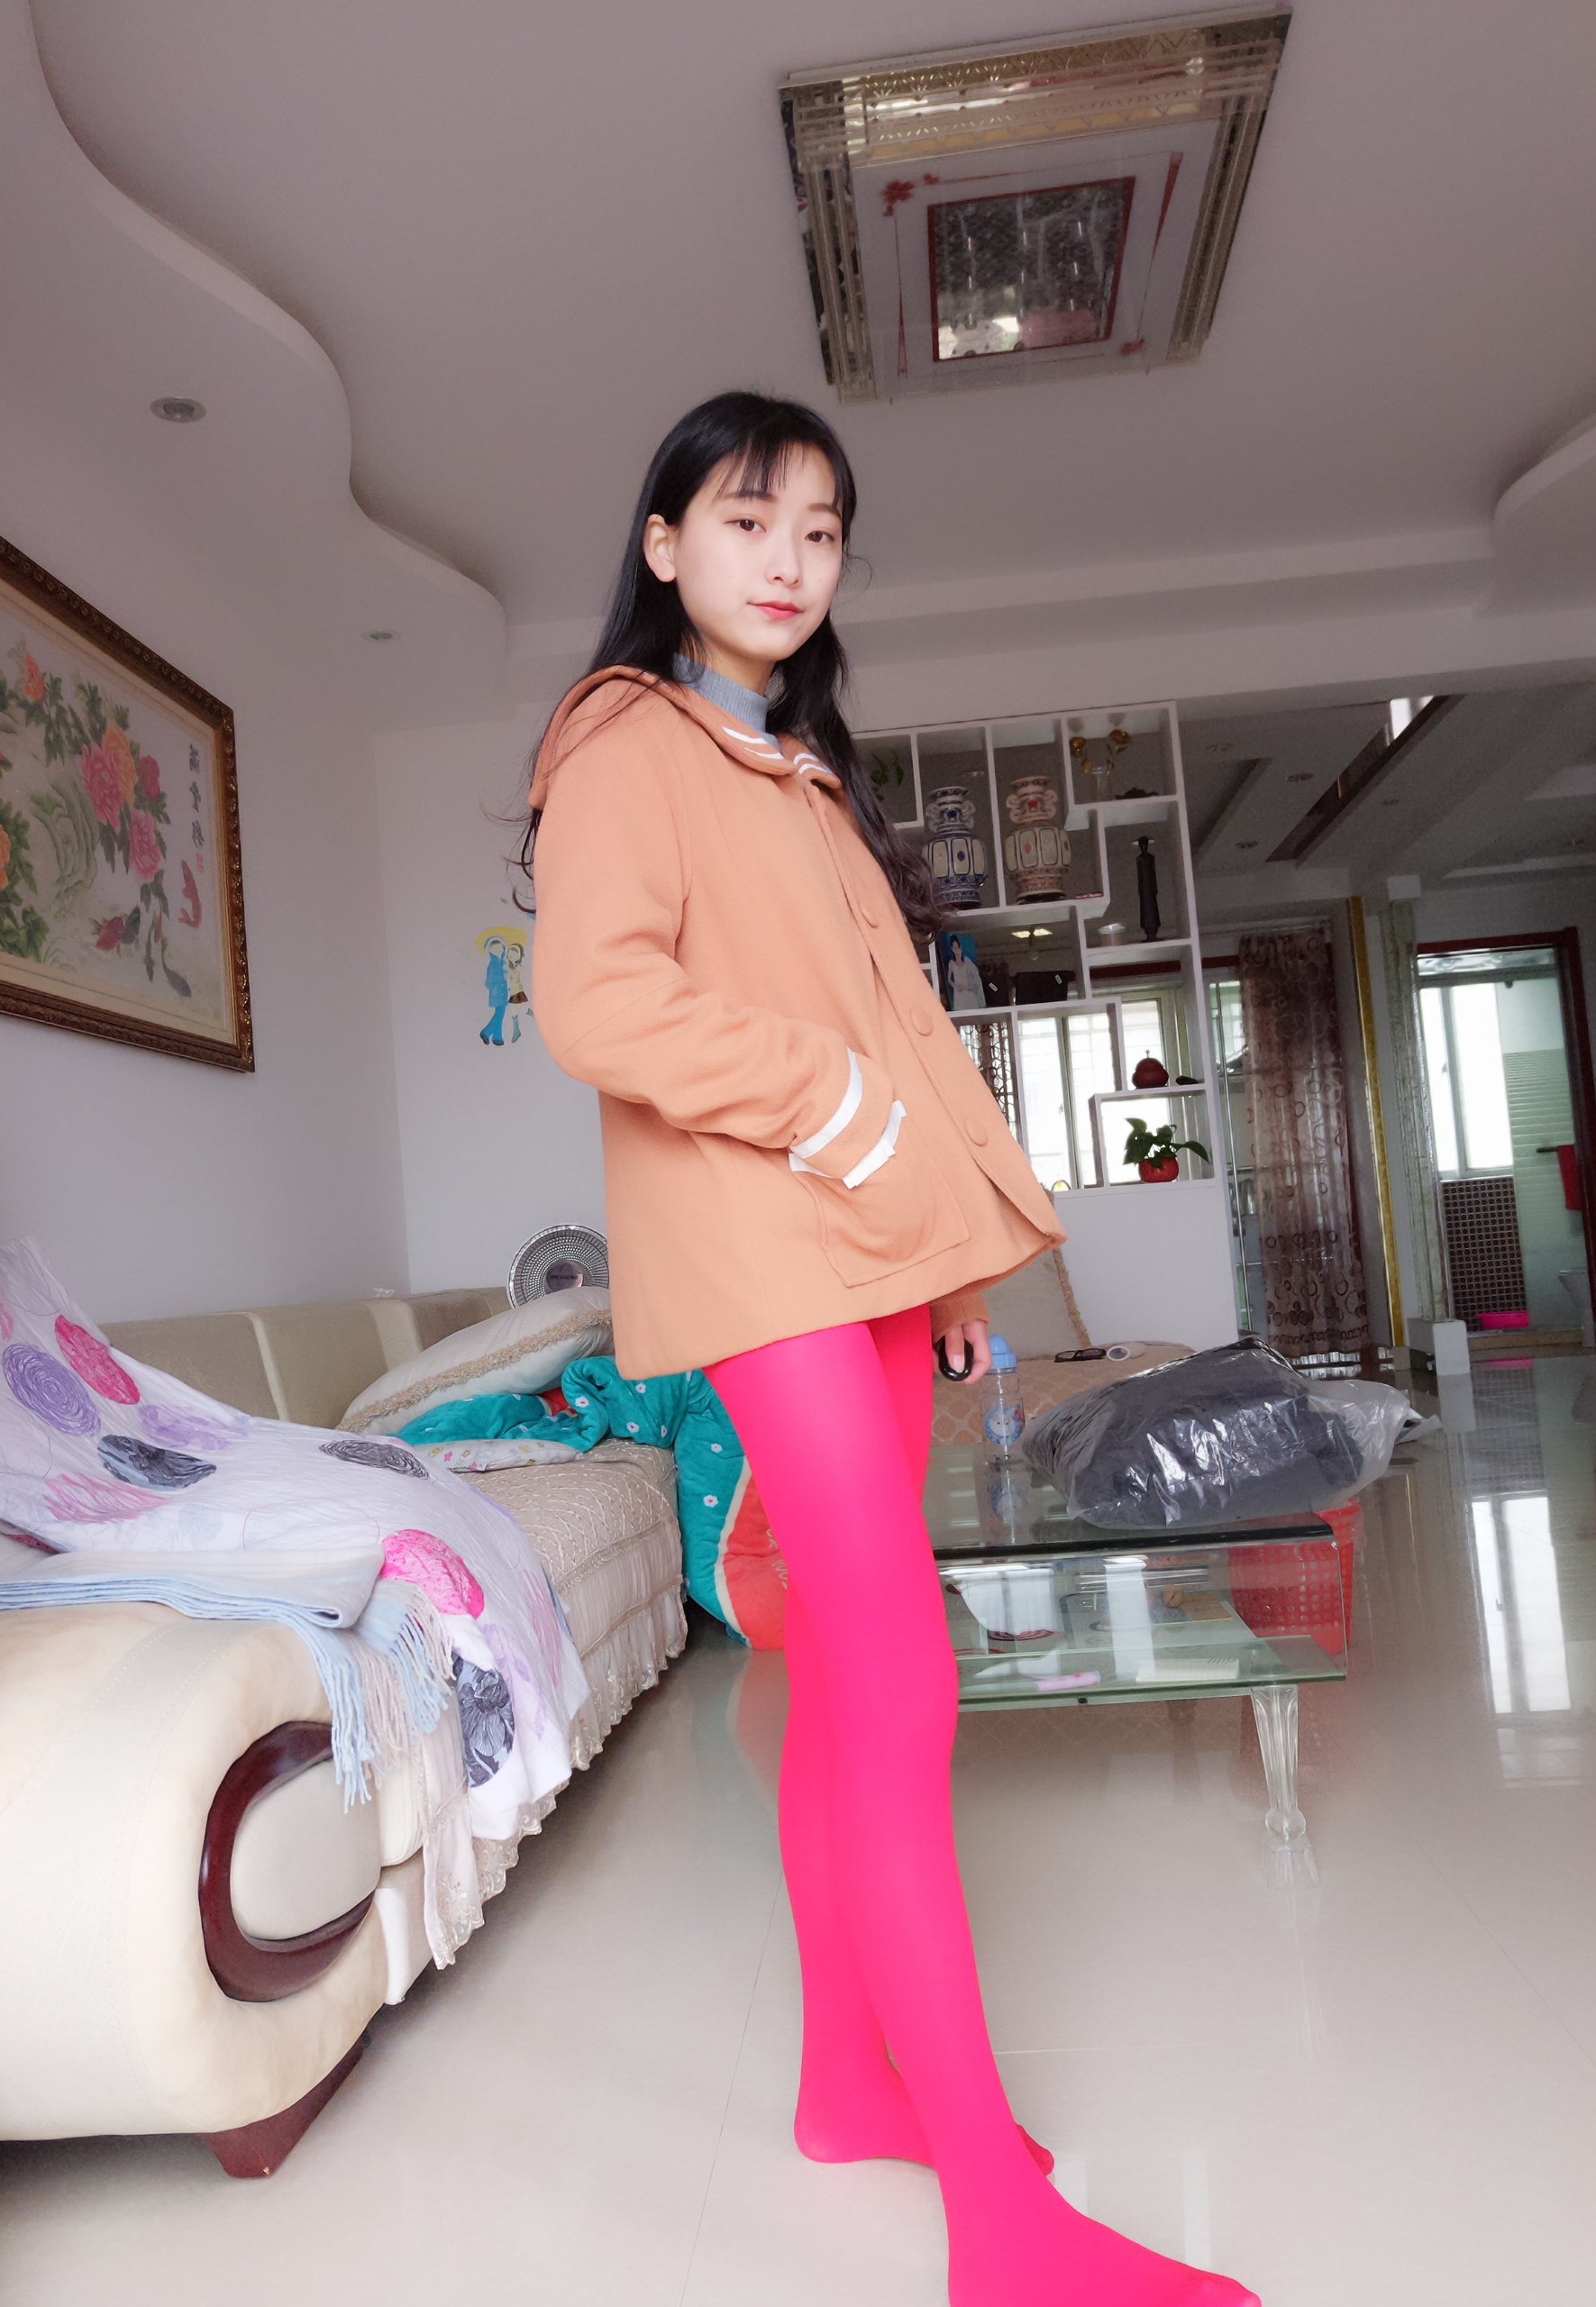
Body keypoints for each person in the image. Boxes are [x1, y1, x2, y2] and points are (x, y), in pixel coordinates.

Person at [523, 391, 1254, 2307]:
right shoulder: (621, 736)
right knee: (904, 1679)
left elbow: (911, 1042)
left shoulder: (803, 771)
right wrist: (830, 1108)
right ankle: (1002, 2231)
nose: (789, 558)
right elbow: (595, 998)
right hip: (762, 1254)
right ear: (664, 541)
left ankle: (847, 2084)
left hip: (863, 1258)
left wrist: (948, 1261)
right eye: (747, 517)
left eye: (823, 530)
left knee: (849, 1681)